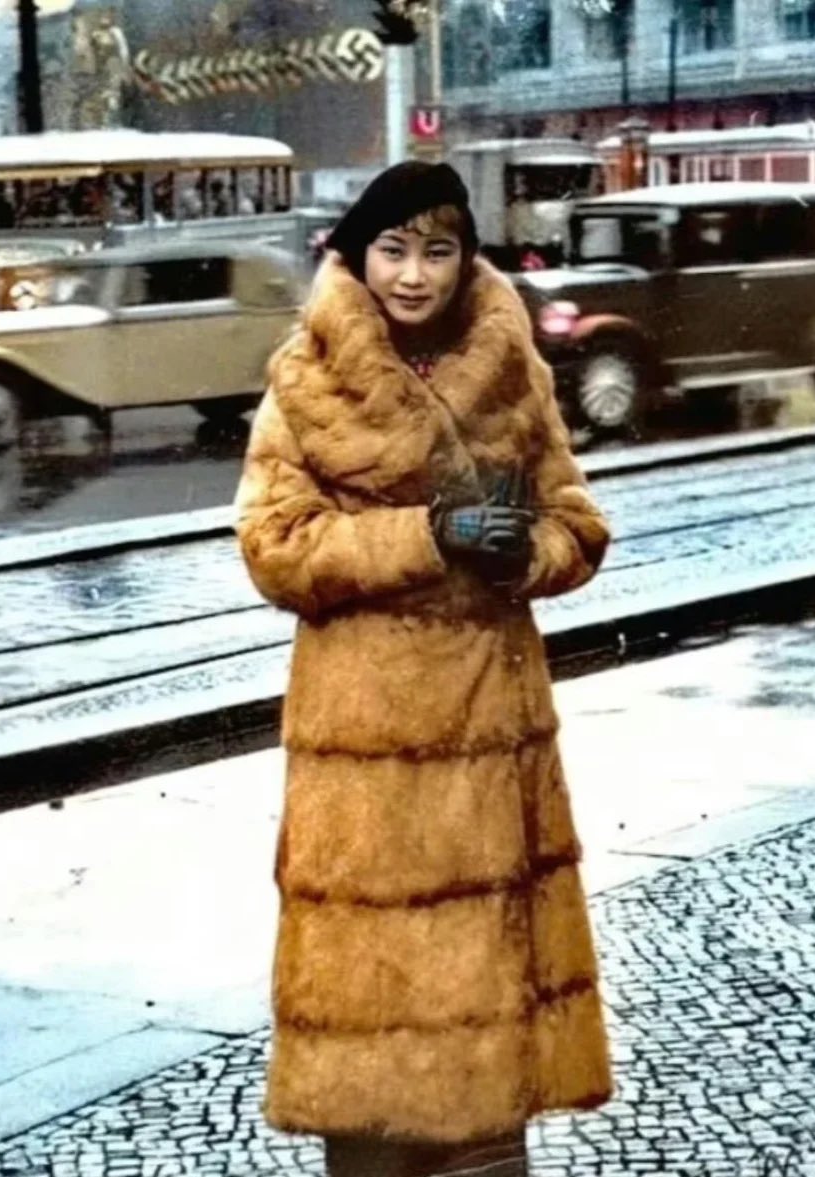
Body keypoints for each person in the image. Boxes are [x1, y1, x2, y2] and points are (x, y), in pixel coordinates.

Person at [234, 161, 614, 1177]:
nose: (414, 274)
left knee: (485, 1058)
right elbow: (275, 547)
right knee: (370, 1049)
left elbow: (578, 524)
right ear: (358, 256)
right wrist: (427, 534)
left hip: (488, 743)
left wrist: (522, 551)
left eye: (437, 250)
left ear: (465, 258)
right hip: (364, 769)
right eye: (394, 249)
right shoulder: (306, 376)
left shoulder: (512, 365)